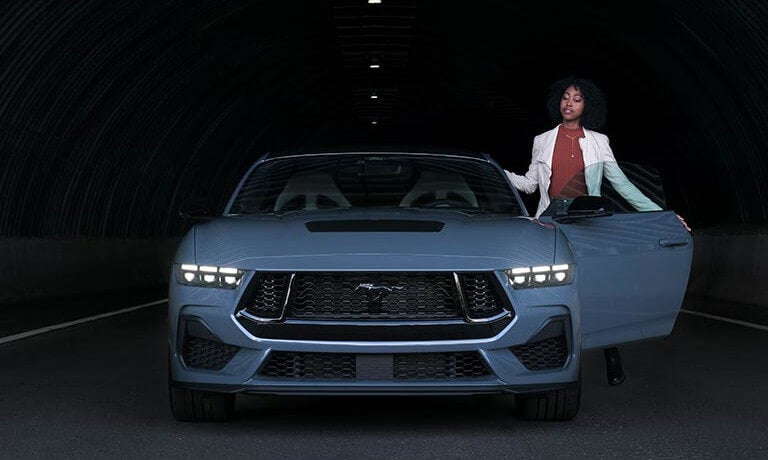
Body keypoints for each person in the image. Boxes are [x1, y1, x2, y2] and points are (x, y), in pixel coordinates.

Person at [505, 76, 689, 386]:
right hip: (550, 223)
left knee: (594, 290)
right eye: (565, 97)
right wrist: (499, 173)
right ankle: (542, 357)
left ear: (587, 106)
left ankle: (609, 349)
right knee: (551, 290)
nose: (569, 103)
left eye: (576, 99)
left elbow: (621, 185)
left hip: (588, 221)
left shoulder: (599, 141)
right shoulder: (543, 140)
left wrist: (663, 216)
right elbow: (530, 185)